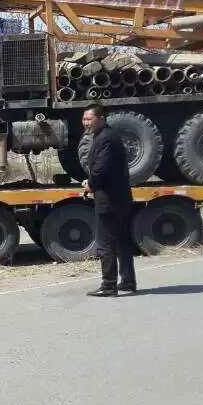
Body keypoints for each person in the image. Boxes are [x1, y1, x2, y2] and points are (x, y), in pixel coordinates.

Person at [82, 104, 137, 297]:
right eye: (84, 119)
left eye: (90, 119)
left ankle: (108, 285)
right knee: (121, 242)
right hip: (119, 198)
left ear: (101, 118)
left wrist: (90, 185)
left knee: (105, 243)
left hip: (109, 200)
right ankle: (128, 281)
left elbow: (101, 169)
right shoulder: (108, 136)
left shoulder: (105, 138)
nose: (86, 123)